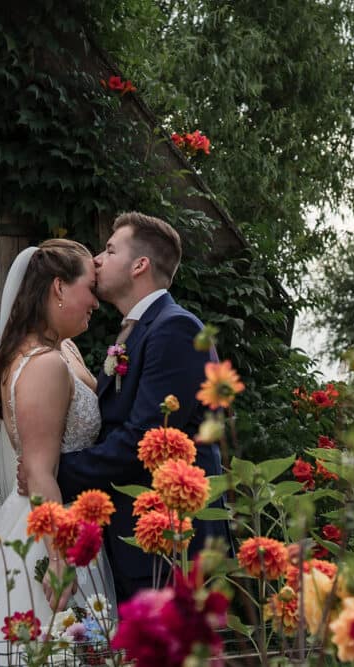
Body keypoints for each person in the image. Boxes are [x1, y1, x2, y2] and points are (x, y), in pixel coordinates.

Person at [53, 212, 228, 602]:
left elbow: (144, 440)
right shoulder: (138, 330)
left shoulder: (175, 329)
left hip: (172, 546)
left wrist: (58, 471)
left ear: (140, 265)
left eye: (110, 250)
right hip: (138, 543)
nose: (97, 259)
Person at [0, 239, 113, 645]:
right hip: (50, 529)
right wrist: (58, 558)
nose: (96, 303)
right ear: (58, 287)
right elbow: (37, 470)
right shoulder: (45, 364)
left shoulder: (64, 350)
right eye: (89, 288)